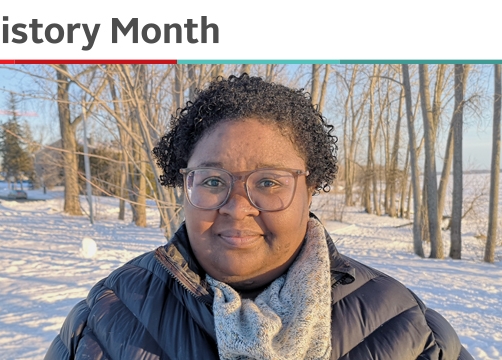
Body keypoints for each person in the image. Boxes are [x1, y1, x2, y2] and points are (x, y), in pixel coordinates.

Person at [45, 74, 473, 360]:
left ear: (311, 190)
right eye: (213, 181)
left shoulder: (408, 330)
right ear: (185, 187)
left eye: (269, 182)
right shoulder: (105, 317)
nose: (237, 206)